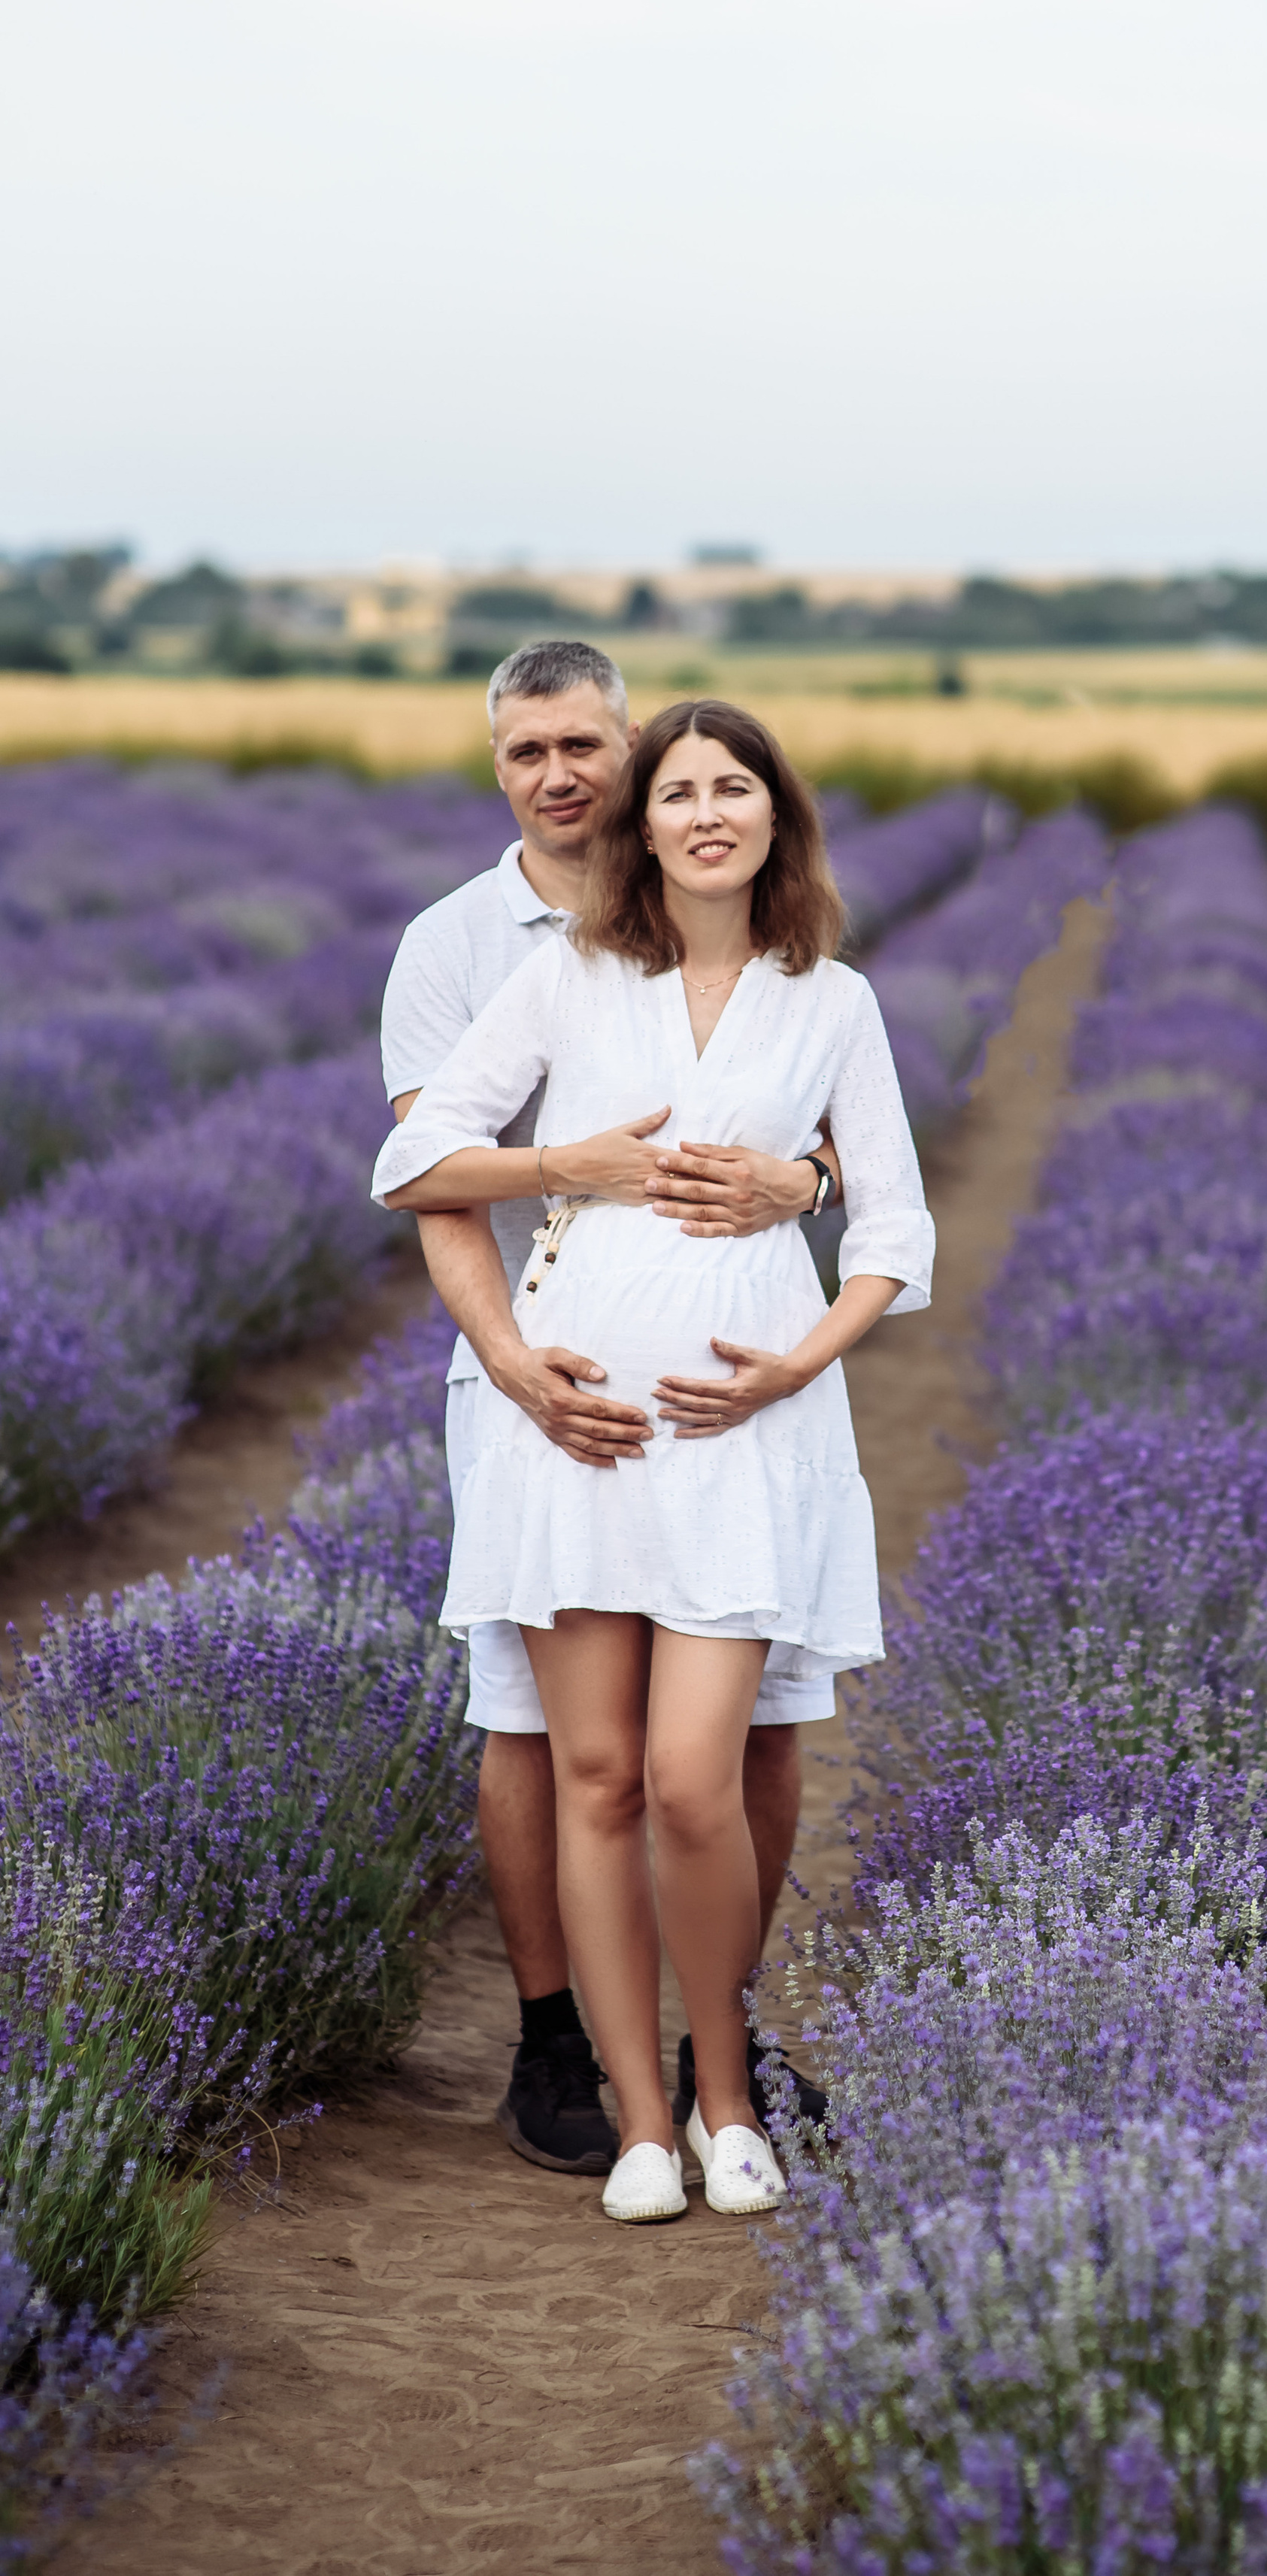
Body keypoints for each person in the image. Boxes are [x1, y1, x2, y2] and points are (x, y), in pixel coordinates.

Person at [374, 695, 931, 2222]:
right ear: (643, 826)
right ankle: (634, 2121)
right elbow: (411, 1162)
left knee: (700, 1779)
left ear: (774, 817)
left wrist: (798, 1363)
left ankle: (726, 2096)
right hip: (573, 1422)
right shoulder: (564, 978)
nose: (702, 813)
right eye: (676, 792)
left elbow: (893, 1223)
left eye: (729, 788)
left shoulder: (832, 999)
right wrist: (570, 1166)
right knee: (597, 1778)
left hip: (741, 1428)